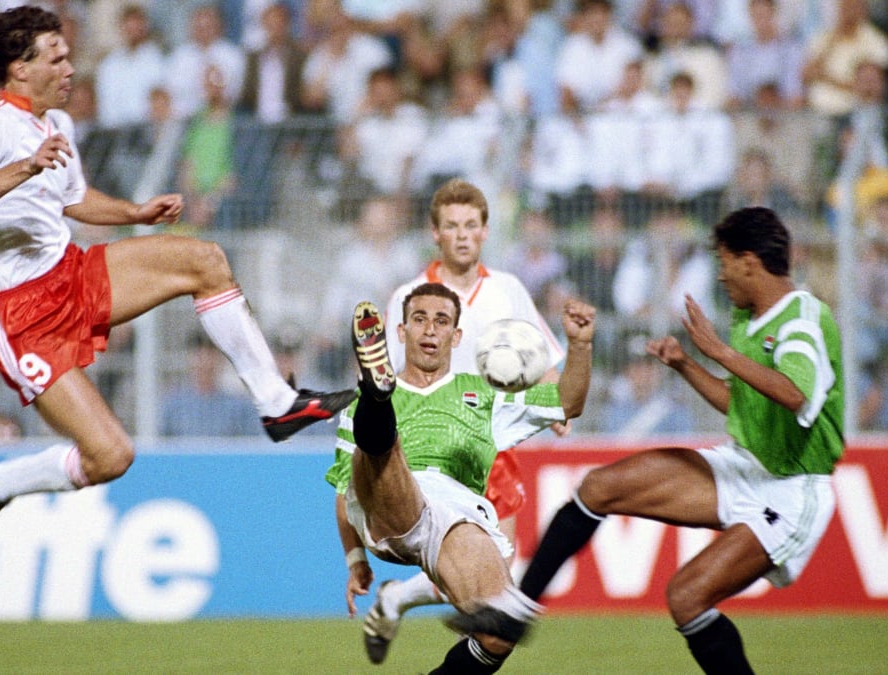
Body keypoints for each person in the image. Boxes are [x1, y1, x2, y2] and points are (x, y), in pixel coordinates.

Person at [0, 6, 355, 558]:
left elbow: (73, 198)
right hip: (18, 315)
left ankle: (276, 402)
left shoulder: (57, 125)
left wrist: (134, 212)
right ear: (20, 69)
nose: (71, 67)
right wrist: (24, 166)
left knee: (206, 262)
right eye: (57, 57)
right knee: (110, 457)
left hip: (68, 273)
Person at [518, 207, 845, 674]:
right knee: (601, 486)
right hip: (747, 466)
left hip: (793, 488)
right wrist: (688, 366)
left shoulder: (800, 320)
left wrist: (719, 352)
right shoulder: (749, 317)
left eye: (725, 260)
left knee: (687, 596)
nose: (721, 272)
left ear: (750, 261)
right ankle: (516, 611)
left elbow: (797, 395)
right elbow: (743, 403)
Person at [329, 284, 596, 673]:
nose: (430, 331)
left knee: (499, 630)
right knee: (384, 452)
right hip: (383, 501)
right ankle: (378, 398)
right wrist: (355, 560)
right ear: (401, 332)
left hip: (453, 516)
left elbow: (569, 402)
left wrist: (580, 346)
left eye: (441, 322)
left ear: (456, 336)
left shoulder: (485, 395)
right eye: (419, 319)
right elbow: (342, 492)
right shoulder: (351, 410)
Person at [365, 178, 566, 665]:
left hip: (495, 437)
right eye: (451, 225)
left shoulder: (508, 290)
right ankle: (412, 608)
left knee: (501, 581)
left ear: (485, 231)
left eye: (471, 225)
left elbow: (541, 355)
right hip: (435, 443)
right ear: (435, 233)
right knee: (487, 590)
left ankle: (397, 599)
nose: (462, 235)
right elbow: (385, 377)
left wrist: (556, 404)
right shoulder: (412, 295)